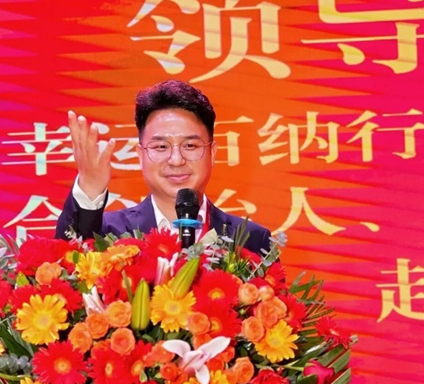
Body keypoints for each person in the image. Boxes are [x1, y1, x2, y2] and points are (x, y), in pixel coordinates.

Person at [55, 80, 272, 254]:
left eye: (190, 145)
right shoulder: (108, 234)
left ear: (212, 153)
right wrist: (90, 188)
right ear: (140, 155)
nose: (176, 160)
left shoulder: (251, 241)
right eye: (161, 146)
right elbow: (66, 265)